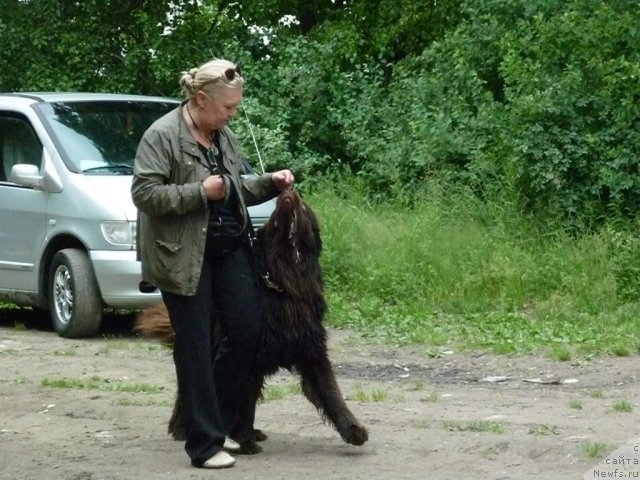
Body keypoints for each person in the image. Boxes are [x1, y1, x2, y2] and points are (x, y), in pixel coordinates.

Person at [131, 58, 294, 469]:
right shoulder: (162, 135)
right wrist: (199, 192)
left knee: (247, 330)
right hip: (180, 254)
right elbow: (145, 194)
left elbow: (235, 188)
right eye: (227, 108)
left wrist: (270, 183)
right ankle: (203, 444)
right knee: (195, 344)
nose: (232, 115)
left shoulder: (224, 136)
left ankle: (217, 420)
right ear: (201, 99)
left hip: (228, 248)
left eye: (236, 108)